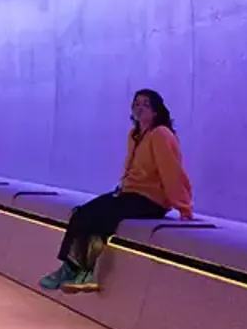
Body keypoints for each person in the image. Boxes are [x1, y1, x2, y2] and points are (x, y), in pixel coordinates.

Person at [40, 89, 193, 294]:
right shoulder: (134, 135)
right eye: (136, 104)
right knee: (82, 213)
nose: (139, 108)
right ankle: (69, 268)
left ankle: (83, 271)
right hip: (130, 194)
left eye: (145, 104)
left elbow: (172, 171)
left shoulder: (161, 134)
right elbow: (131, 170)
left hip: (151, 200)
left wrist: (183, 207)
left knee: (101, 218)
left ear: (156, 111)